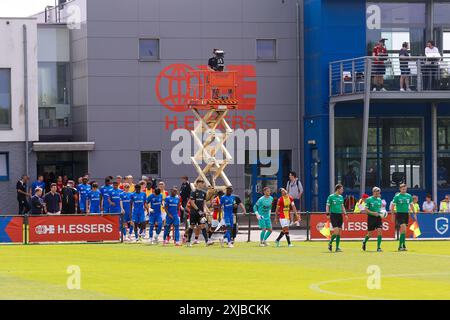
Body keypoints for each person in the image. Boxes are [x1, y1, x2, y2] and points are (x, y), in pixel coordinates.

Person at [186, 179, 213, 246]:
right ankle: (188, 242)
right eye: (201, 183)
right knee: (192, 226)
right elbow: (192, 203)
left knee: (203, 226)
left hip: (201, 213)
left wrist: (207, 210)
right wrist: (198, 210)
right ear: (197, 183)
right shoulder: (193, 192)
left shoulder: (204, 193)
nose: (202, 184)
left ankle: (207, 242)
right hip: (194, 212)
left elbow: (204, 204)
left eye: (203, 183)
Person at [390, 184, 415, 251]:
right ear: (400, 189)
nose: (404, 190)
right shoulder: (397, 196)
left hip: (406, 214)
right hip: (399, 214)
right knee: (403, 228)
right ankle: (400, 246)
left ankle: (403, 245)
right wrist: (392, 215)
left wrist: (414, 213)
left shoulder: (409, 196)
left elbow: (411, 205)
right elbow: (392, 206)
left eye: (405, 189)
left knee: (404, 231)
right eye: (403, 189)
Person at [326, 184, 348, 252]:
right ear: (338, 189)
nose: (342, 191)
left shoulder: (341, 197)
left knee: (339, 232)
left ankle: (337, 247)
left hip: (340, 215)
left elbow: (342, 206)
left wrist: (345, 214)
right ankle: (330, 243)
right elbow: (327, 205)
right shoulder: (331, 197)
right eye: (341, 189)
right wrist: (327, 213)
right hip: (333, 215)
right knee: (336, 231)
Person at [362, 187, 384, 252]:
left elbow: (380, 209)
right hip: (371, 218)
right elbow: (366, 209)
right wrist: (373, 213)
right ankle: (364, 241)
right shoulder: (369, 199)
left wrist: (382, 214)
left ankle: (379, 247)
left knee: (380, 231)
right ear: (373, 192)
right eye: (376, 191)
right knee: (370, 234)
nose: (377, 193)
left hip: (378, 218)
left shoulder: (379, 200)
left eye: (378, 191)